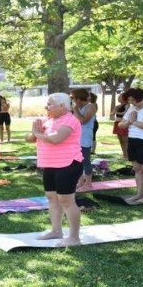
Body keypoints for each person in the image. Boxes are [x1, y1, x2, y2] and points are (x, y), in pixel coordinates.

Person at [27, 93, 84, 244]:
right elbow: (29, 138)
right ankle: (56, 231)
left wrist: (38, 133)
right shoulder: (46, 120)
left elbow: (56, 139)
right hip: (50, 165)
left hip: (68, 164)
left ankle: (74, 237)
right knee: (52, 198)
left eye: (50, 104)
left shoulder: (70, 120)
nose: (47, 106)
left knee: (66, 200)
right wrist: (35, 131)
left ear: (62, 106)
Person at [71, 88, 97, 191]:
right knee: (77, 161)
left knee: (85, 160)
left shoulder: (90, 106)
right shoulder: (77, 107)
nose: (72, 100)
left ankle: (88, 183)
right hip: (75, 137)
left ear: (79, 98)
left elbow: (82, 120)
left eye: (74, 98)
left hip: (85, 137)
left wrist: (75, 109)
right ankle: (80, 181)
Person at [110, 94, 129, 160]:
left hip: (124, 123)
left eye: (120, 97)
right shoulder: (117, 106)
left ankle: (127, 155)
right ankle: (124, 154)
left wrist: (116, 112)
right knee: (120, 140)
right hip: (117, 122)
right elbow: (112, 113)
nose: (118, 98)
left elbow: (125, 113)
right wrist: (115, 111)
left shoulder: (127, 105)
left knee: (125, 140)